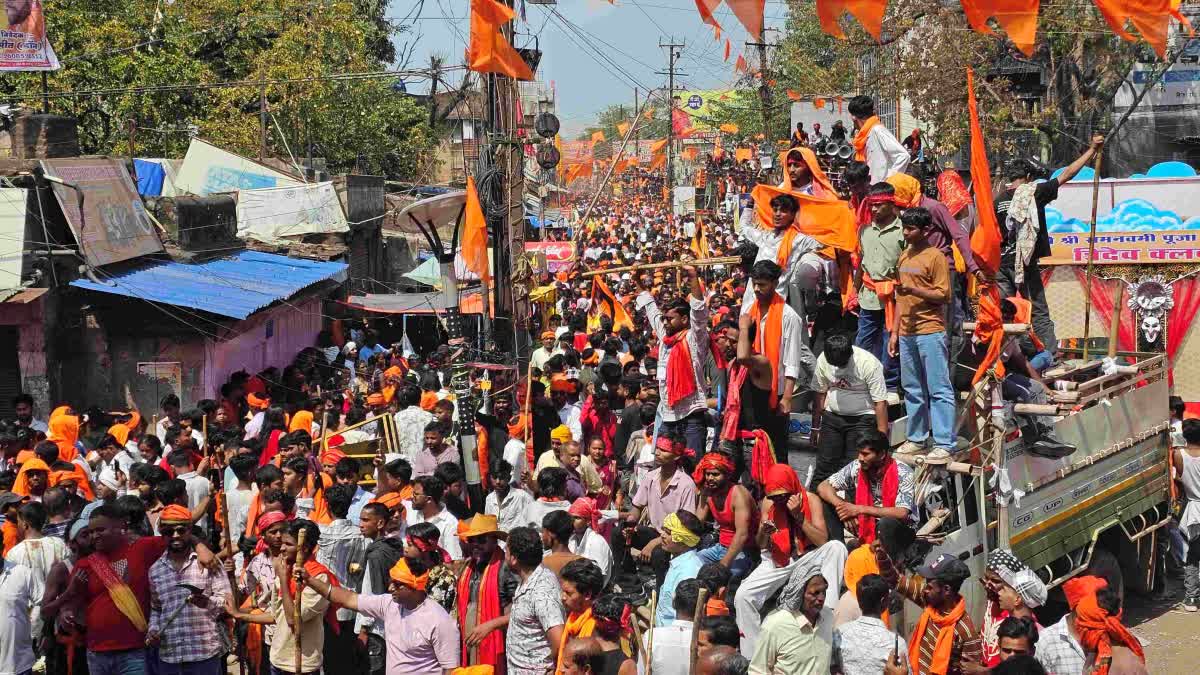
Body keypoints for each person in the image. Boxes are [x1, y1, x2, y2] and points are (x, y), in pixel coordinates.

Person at [995, 135, 1104, 352]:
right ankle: (1049, 357)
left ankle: (1006, 357)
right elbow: (1067, 174)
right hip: (1024, 263)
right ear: (1027, 177)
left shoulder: (997, 200)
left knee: (1004, 313)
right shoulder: (1034, 193)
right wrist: (1091, 150)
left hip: (1000, 264)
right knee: (1038, 313)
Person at [734, 464, 847, 657]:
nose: (780, 499)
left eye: (783, 495)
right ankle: (752, 656)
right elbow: (761, 545)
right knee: (742, 596)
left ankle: (827, 616)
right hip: (776, 560)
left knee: (836, 547)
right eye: (775, 496)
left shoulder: (811, 500)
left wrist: (799, 518)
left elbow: (821, 541)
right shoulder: (768, 504)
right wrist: (763, 531)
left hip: (807, 556)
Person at [298, 554, 460, 675]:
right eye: (391, 582)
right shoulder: (389, 603)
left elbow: (451, 669)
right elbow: (348, 598)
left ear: (416, 587)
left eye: (398, 585)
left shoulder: (439, 621)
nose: (390, 588)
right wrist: (309, 579)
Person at [63, 502, 170, 675]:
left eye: (100, 530)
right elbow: (72, 606)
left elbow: (177, 540)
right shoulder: (85, 565)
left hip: (135, 651)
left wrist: (201, 547)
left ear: (121, 526)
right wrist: (67, 613)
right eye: (90, 532)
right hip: (97, 653)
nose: (94, 536)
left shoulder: (143, 549)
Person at [890, 207, 955, 460]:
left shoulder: (935, 257)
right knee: (912, 388)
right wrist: (894, 332)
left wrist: (914, 291)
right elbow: (899, 297)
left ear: (925, 230)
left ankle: (944, 442)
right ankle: (917, 437)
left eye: (911, 229)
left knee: (938, 388)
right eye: (904, 228)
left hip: (931, 330)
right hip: (906, 332)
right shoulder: (904, 256)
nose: (906, 233)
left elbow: (944, 295)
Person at [145, 504, 232, 674]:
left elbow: (228, 604)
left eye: (180, 530)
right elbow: (156, 609)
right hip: (169, 657)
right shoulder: (155, 570)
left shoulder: (209, 563)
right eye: (169, 532)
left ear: (189, 530)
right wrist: (153, 630)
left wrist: (207, 602)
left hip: (204, 655)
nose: (175, 536)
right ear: (162, 534)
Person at [636, 265, 711, 456]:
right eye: (664, 319)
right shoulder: (665, 338)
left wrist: (693, 276)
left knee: (692, 465)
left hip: (691, 417)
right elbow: (650, 309)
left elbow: (699, 313)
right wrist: (637, 279)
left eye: (670, 319)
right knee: (665, 462)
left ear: (685, 319)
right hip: (667, 416)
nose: (665, 323)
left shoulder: (694, 339)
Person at [809, 332, 890, 506]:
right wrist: (815, 428)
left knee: (856, 469)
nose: (838, 369)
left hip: (862, 419)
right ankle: (815, 511)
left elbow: (880, 403)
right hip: (832, 417)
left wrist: (881, 441)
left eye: (841, 364)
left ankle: (856, 514)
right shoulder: (823, 358)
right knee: (824, 466)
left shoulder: (869, 364)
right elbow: (820, 394)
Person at [740, 261, 808, 457]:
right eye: (754, 283)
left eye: (762, 284)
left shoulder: (789, 316)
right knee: (753, 448)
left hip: (775, 394)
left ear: (775, 282)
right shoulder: (749, 311)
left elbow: (792, 361)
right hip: (751, 389)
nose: (756, 289)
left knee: (776, 450)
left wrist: (787, 397)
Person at [613, 431, 695, 583]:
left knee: (658, 553)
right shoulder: (651, 477)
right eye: (657, 448)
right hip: (655, 532)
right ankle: (626, 581)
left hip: (674, 539)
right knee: (618, 533)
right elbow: (636, 508)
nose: (657, 452)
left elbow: (684, 526)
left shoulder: (686, 484)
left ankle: (660, 590)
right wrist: (630, 525)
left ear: (676, 456)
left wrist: (654, 543)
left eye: (663, 450)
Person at [854, 182, 904, 394]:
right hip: (868, 297)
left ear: (891, 205)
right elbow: (861, 262)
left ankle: (889, 386)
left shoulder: (903, 231)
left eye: (879, 205)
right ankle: (859, 380)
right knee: (862, 342)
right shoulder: (864, 230)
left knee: (890, 343)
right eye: (871, 205)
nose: (873, 209)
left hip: (894, 298)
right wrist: (854, 293)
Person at [895, 553, 982, 675]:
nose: (925, 590)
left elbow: (973, 671)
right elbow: (898, 581)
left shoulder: (966, 632)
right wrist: (883, 557)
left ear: (946, 590)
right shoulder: (929, 600)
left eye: (930, 587)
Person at [749, 557, 834, 675]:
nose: (821, 598)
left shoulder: (828, 616)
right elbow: (758, 671)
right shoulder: (775, 623)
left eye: (823, 592)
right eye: (815, 593)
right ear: (799, 594)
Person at [455, 514, 515, 671]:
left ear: (494, 540)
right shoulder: (468, 566)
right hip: (470, 642)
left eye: (481, 540)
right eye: (471, 540)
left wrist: (491, 626)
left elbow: (518, 611)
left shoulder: (505, 568)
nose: (475, 545)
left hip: (496, 642)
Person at [506, 525, 567, 675]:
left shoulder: (542, 591)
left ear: (514, 559)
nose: (504, 554)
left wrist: (547, 668)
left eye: (506, 551)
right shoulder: (529, 580)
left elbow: (559, 640)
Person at [4, 500, 68, 641]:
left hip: (30, 621)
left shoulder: (15, 553)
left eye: (19, 522)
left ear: (25, 524)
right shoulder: (59, 544)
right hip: (59, 615)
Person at [978, 548, 1047, 668]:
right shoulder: (993, 606)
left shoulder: (1031, 635)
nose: (989, 586)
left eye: (997, 582)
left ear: (1018, 599)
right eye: (985, 579)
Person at [693, 452, 755, 580]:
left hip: (743, 551)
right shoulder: (708, 491)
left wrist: (723, 564)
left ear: (727, 475)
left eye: (715, 474)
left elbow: (742, 534)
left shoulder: (738, 494)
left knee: (722, 579)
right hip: (719, 547)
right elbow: (697, 521)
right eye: (707, 474)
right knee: (692, 566)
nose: (710, 478)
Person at [831, 573, 907, 675]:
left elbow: (831, 668)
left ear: (858, 599)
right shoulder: (895, 643)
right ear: (884, 602)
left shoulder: (839, 633)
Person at [655, 510, 706, 627]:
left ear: (684, 540)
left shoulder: (689, 572)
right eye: (663, 530)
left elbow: (683, 622)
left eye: (668, 533)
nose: (662, 535)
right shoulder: (677, 560)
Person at [556, 558, 606, 674]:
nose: (562, 597)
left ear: (587, 594)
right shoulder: (573, 617)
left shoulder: (598, 628)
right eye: (562, 591)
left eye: (568, 593)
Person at [645, 578, 701, 675]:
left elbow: (641, 672)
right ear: (703, 608)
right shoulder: (705, 642)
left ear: (673, 603)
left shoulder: (652, 635)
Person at [847, 95, 908, 182]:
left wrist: (888, 181)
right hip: (869, 189)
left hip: (879, 190)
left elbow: (903, 156)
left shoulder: (877, 130)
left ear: (854, 117)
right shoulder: (863, 136)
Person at [406, 476, 462, 560]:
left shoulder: (450, 523)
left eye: (416, 494)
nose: (411, 497)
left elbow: (453, 560)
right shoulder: (411, 512)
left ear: (429, 499)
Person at [1176, 418, 1200, 611]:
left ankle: (1191, 598)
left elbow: (1178, 480)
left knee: (1193, 554)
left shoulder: (1178, 455)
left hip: (1193, 511)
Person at [567, 497, 612, 581]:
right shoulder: (571, 540)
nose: (571, 521)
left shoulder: (597, 542)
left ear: (588, 521)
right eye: (570, 517)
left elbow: (598, 576)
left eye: (577, 518)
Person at [485, 458, 533, 533]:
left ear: (509, 478)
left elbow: (533, 523)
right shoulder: (489, 499)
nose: (497, 481)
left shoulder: (522, 497)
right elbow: (487, 527)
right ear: (490, 478)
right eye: (494, 477)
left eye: (501, 477)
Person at [542, 510, 583, 578]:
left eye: (543, 532)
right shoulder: (582, 563)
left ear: (551, 534)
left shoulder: (544, 565)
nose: (542, 537)